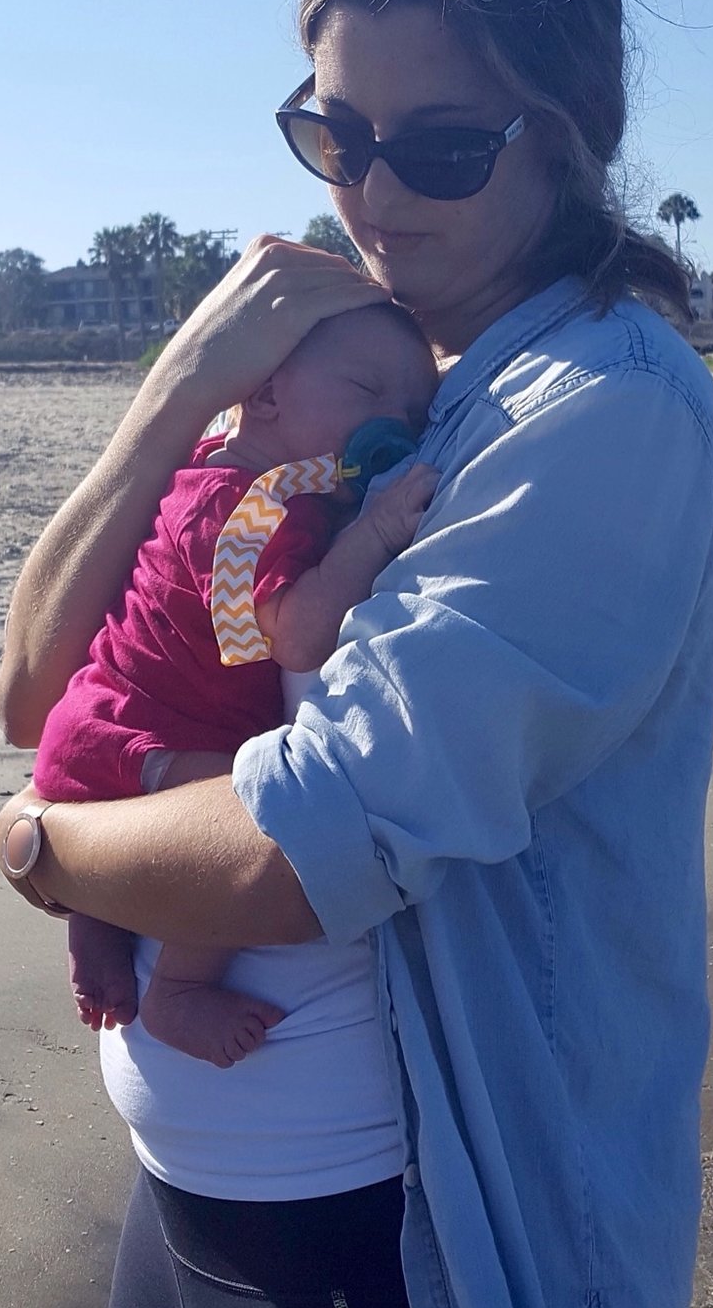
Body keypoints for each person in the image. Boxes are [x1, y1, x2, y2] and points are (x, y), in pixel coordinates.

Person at [0, 0, 713, 1308]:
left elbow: (302, 848)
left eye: (439, 146)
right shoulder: (386, 388)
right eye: (337, 137)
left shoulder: (598, 411)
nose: (374, 198)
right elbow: (36, 680)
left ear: (568, 132)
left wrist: (42, 851)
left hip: (404, 1271)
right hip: (188, 1215)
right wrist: (187, 377)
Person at [30, 302, 439, 1067]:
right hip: (133, 738)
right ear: (267, 395)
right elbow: (297, 635)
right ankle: (178, 988)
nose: (395, 421)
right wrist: (377, 530)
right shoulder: (246, 509)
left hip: (95, 732)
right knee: (252, 820)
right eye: (366, 390)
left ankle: (96, 925)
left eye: (415, 413)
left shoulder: (232, 472)